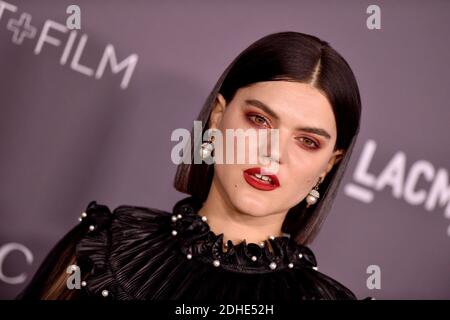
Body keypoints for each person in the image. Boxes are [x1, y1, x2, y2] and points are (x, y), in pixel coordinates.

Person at [17, 31, 363, 300]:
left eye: (307, 141)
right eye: (259, 120)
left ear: (327, 166)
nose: (273, 153)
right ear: (217, 117)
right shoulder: (105, 249)